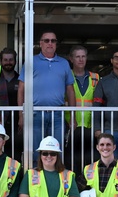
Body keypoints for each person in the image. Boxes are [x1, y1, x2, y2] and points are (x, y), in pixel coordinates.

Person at [17, 32, 75, 164]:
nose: (50, 43)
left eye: (53, 41)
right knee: (35, 152)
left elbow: (70, 90)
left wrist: (73, 116)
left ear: (56, 44)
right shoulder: (31, 62)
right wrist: (21, 115)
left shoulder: (64, 63)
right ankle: (35, 176)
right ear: (40, 43)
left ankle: (57, 176)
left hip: (58, 114)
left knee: (58, 151)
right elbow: (21, 89)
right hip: (35, 113)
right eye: (47, 40)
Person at [66, 45, 99, 171]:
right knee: (72, 160)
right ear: (71, 59)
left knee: (90, 160)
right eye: (77, 57)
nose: (81, 59)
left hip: (90, 125)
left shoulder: (95, 77)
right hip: (70, 125)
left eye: (83, 56)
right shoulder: (66, 76)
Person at [0, 47, 21, 159]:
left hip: (17, 123)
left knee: (16, 153)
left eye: (11, 60)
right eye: (5, 60)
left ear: (15, 61)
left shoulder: (20, 80)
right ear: (1, 61)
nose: (8, 62)